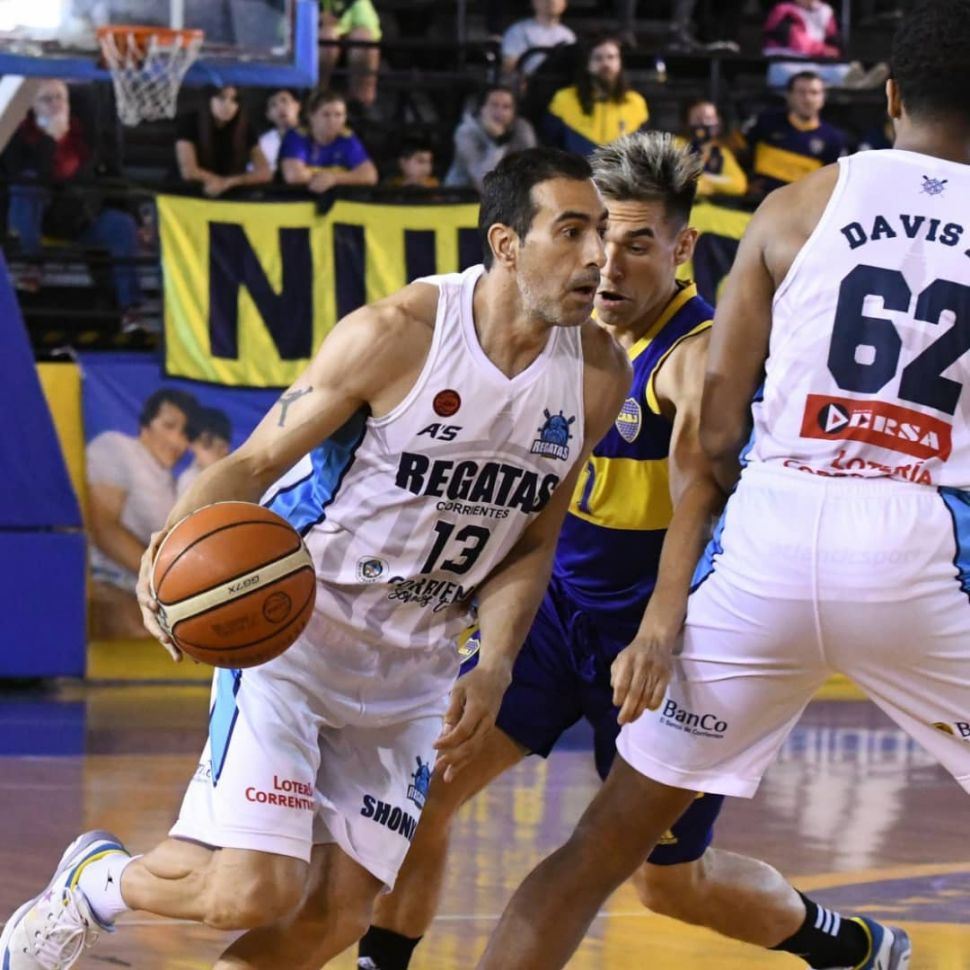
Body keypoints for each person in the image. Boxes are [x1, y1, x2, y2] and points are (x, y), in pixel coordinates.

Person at [0, 146, 631, 970]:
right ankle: (94, 883)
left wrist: (497, 664)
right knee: (252, 894)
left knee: (333, 919)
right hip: (295, 633)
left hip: (416, 671)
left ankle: (111, 879)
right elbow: (253, 464)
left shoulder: (598, 374)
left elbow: (535, 537)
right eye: (572, 231)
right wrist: (168, 551)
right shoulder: (397, 335)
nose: (598, 255)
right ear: (507, 244)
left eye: (603, 232)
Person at [479, 1, 970, 966]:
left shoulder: (793, 209)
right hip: (918, 541)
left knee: (599, 851)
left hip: (768, 539)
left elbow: (716, 433)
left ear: (891, 96)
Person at [356, 131, 898, 970]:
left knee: (667, 884)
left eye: (638, 244)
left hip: (663, 639)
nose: (608, 264)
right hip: (555, 613)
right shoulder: (563, 329)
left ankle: (843, 944)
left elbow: (697, 501)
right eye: (598, 236)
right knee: (424, 789)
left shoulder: (694, 355)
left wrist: (655, 631)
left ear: (683, 248)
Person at [2, 79, 143, 318]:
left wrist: (135, 215)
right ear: (33, 106)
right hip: (41, 219)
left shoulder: (84, 134)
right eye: (47, 99)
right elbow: (30, 177)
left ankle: (132, 308)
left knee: (122, 225)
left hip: (80, 215)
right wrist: (50, 140)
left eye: (60, 98)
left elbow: (110, 172)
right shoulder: (21, 137)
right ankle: (32, 263)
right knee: (27, 184)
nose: (55, 104)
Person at [87, 388, 199, 640]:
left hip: (157, 594)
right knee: (139, 629)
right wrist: (168, 582)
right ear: (145, 425)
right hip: (108, 584)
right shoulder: (116, 447)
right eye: (168, 426)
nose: (176, 441)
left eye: (185, 433)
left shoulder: (174, 485)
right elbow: (103, 527)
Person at [740, 70, 847, 200]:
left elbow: (835, 182)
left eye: (814, 93)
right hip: (758, 202)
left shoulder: (833, 139)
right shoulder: (766, 121)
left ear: (823, 97)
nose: (808, 99)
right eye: (801, 92)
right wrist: (746, 183)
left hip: (802, 207)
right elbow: (736, 151)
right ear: (789, 96)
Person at [542, 36, 649, 156]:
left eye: (611, 57)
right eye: (598, 58)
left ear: (619, 62)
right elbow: (550, 147)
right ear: (587, 64)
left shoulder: (636, 103)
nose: (606, 64)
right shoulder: (564, 100)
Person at [174, 85, 272, 198]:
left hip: (229, 195)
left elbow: (265, 173)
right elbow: (189, 171)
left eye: (234, 100)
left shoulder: (245, 128)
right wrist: (217, 181)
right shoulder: (189, 122)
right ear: (209, 99)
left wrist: (229, 182)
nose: (227, 105)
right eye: (221, 97)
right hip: (187, 194)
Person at [280, 88, 378, 194]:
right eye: (326, 115)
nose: (332, 121)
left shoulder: (347, 139)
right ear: (311, 116)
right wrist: (345, 177)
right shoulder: (297, 136)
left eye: (338, 115)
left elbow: (370, 176)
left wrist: (334, 179)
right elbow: (294, 176)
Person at [444, 86, 537, 191]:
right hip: (461, 194)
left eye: (506, 107)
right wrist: (499, 142)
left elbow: (533, 168)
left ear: (513, 112)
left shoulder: (522, 128)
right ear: (482, 108)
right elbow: (483, 183)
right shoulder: (466, 132)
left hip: (508, 192)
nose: (499, 112)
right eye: (494, 105)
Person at [319, 0, 382, 110]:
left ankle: (360, 106)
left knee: (364, 42)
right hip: (313, 8)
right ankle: (317, 99)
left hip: (353, 8)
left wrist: (336, 13)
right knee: (327, 40)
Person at [680, 99, 748, 198]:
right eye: (698, 119)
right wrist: (719, 182)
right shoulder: (677, 146)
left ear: (718, 123)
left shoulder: (721, 152)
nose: (704, 123)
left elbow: (739, 186)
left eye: (709, 118)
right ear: (686, 123)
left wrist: (705, 180)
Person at [500, 0, 576, 79]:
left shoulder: (568, 35)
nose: (552, 1)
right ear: (534, 2)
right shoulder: (518, 31)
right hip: (529, 83)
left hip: (560, 84)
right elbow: (509, 67)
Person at [176, 406, 232, 498]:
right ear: (191, 445)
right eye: (207, 445)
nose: (216, 453)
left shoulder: (235, 474)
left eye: (221, 446)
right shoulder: (190, 481)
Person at [763, 0, 841, 58]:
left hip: (815, 58)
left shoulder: (825, 11)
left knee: (841, 70)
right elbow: (797, 41)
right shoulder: (782, 11)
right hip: (784, 57)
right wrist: (824, 50)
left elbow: (833, 39)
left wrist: (835, 51)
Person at [258, 88, 303, 176]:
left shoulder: (313, 134)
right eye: (273, 105)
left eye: (284, 101)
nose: (280, 108)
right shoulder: (262, 142)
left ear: (298, 106)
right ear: (268, 115)